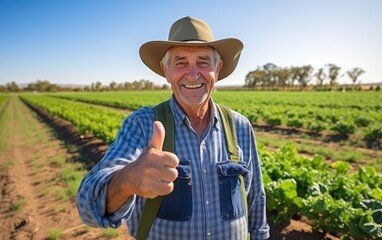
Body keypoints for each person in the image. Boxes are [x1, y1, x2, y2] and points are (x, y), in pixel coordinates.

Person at [76, 16, 270, 239]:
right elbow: (88, 207)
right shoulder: (143, 125)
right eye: (181, 63)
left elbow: (255, 199)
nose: (193, 73)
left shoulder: (240, 126)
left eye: (203, 62)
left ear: (217, 68)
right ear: (166, 71)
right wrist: (129, 179)